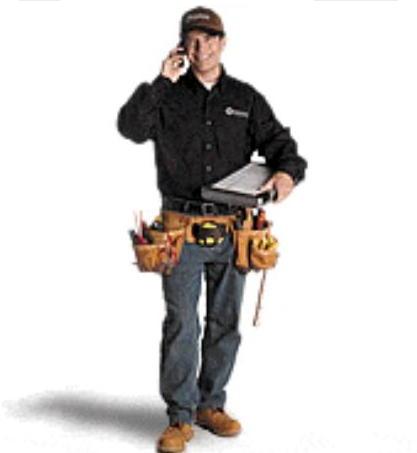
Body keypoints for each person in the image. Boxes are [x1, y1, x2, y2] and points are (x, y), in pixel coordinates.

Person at [117, 6, 307, 453]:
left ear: (223, 42)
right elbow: (130, 127)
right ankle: (180, 416)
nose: (201, 46)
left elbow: (282, 145)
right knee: (181, 323)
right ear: (183, 44)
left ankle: (210, 405)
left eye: (209, 37)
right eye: (193, 38)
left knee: (225, 324)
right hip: (179, 231)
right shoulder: (165, 96)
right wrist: (161, 80)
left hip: (233, 230)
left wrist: (286, 174)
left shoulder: (246, 99)